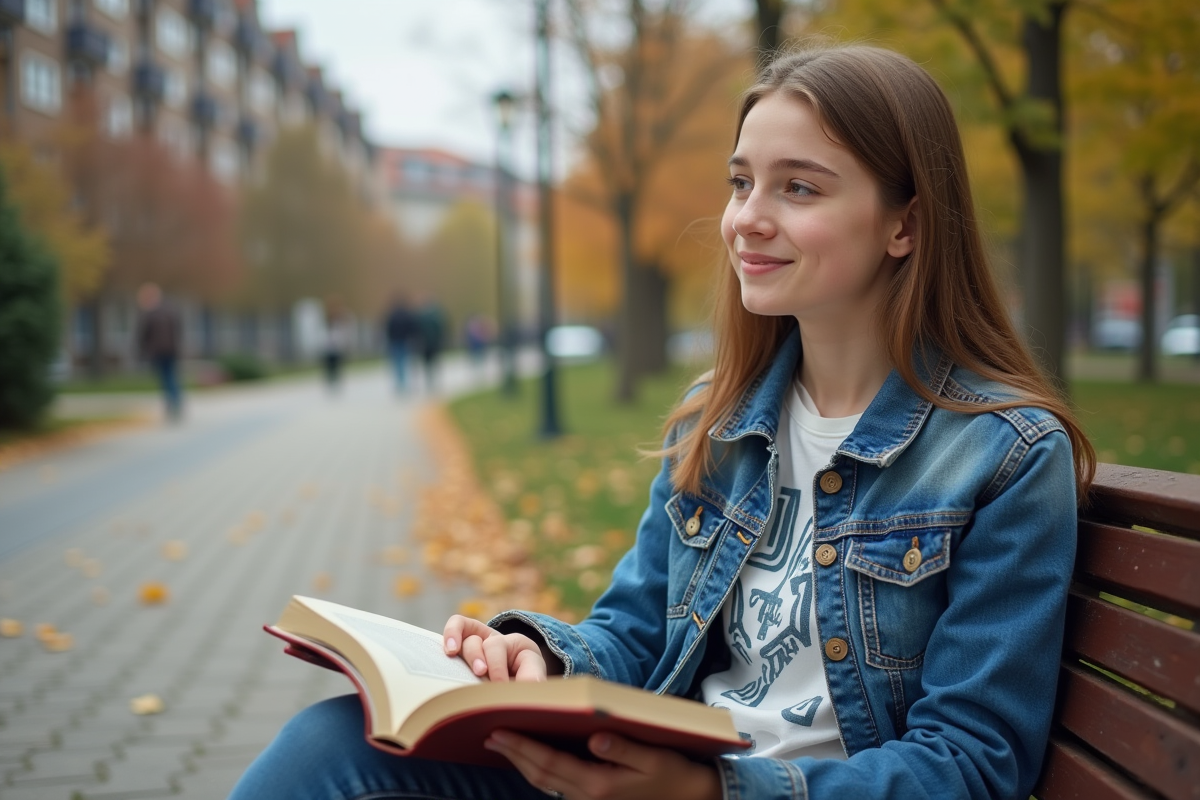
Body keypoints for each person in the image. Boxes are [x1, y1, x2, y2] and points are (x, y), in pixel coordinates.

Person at [229, 44, 1095, 800]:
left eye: (799, 187)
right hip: (645, 777)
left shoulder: (1003, 457)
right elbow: (636, 630)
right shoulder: (718, 422)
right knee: (333, 744)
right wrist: (543, 657)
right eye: (742, 181)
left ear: (904, 223)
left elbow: (973, 765)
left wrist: (713, 793)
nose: (747, 218)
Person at [136, 283, 183, 422]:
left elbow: (143, 335)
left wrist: (142, 351)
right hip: (172, 350)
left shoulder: (149, 314)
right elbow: (178, 330)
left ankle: (171, 402)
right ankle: (175, 401)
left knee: (165, 377)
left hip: (158, 351)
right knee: (171, 376)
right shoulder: (171, 310)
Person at [383, 294, 417, 392]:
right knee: (405, 362)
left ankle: (400, 382)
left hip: (395, 341)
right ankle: (404, 382)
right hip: (405, 341)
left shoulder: (392, 315)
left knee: (397, 363)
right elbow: (412, 328)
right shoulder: (408, 314)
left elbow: (388, 328)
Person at [322, 298, 352, 393]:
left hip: (336, 348)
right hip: (329, 349)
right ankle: (331, 383)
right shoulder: (327, 322)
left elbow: (343, 333)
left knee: (337, 367)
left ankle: (336, 383)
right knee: (330, 368)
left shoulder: (339, 322)